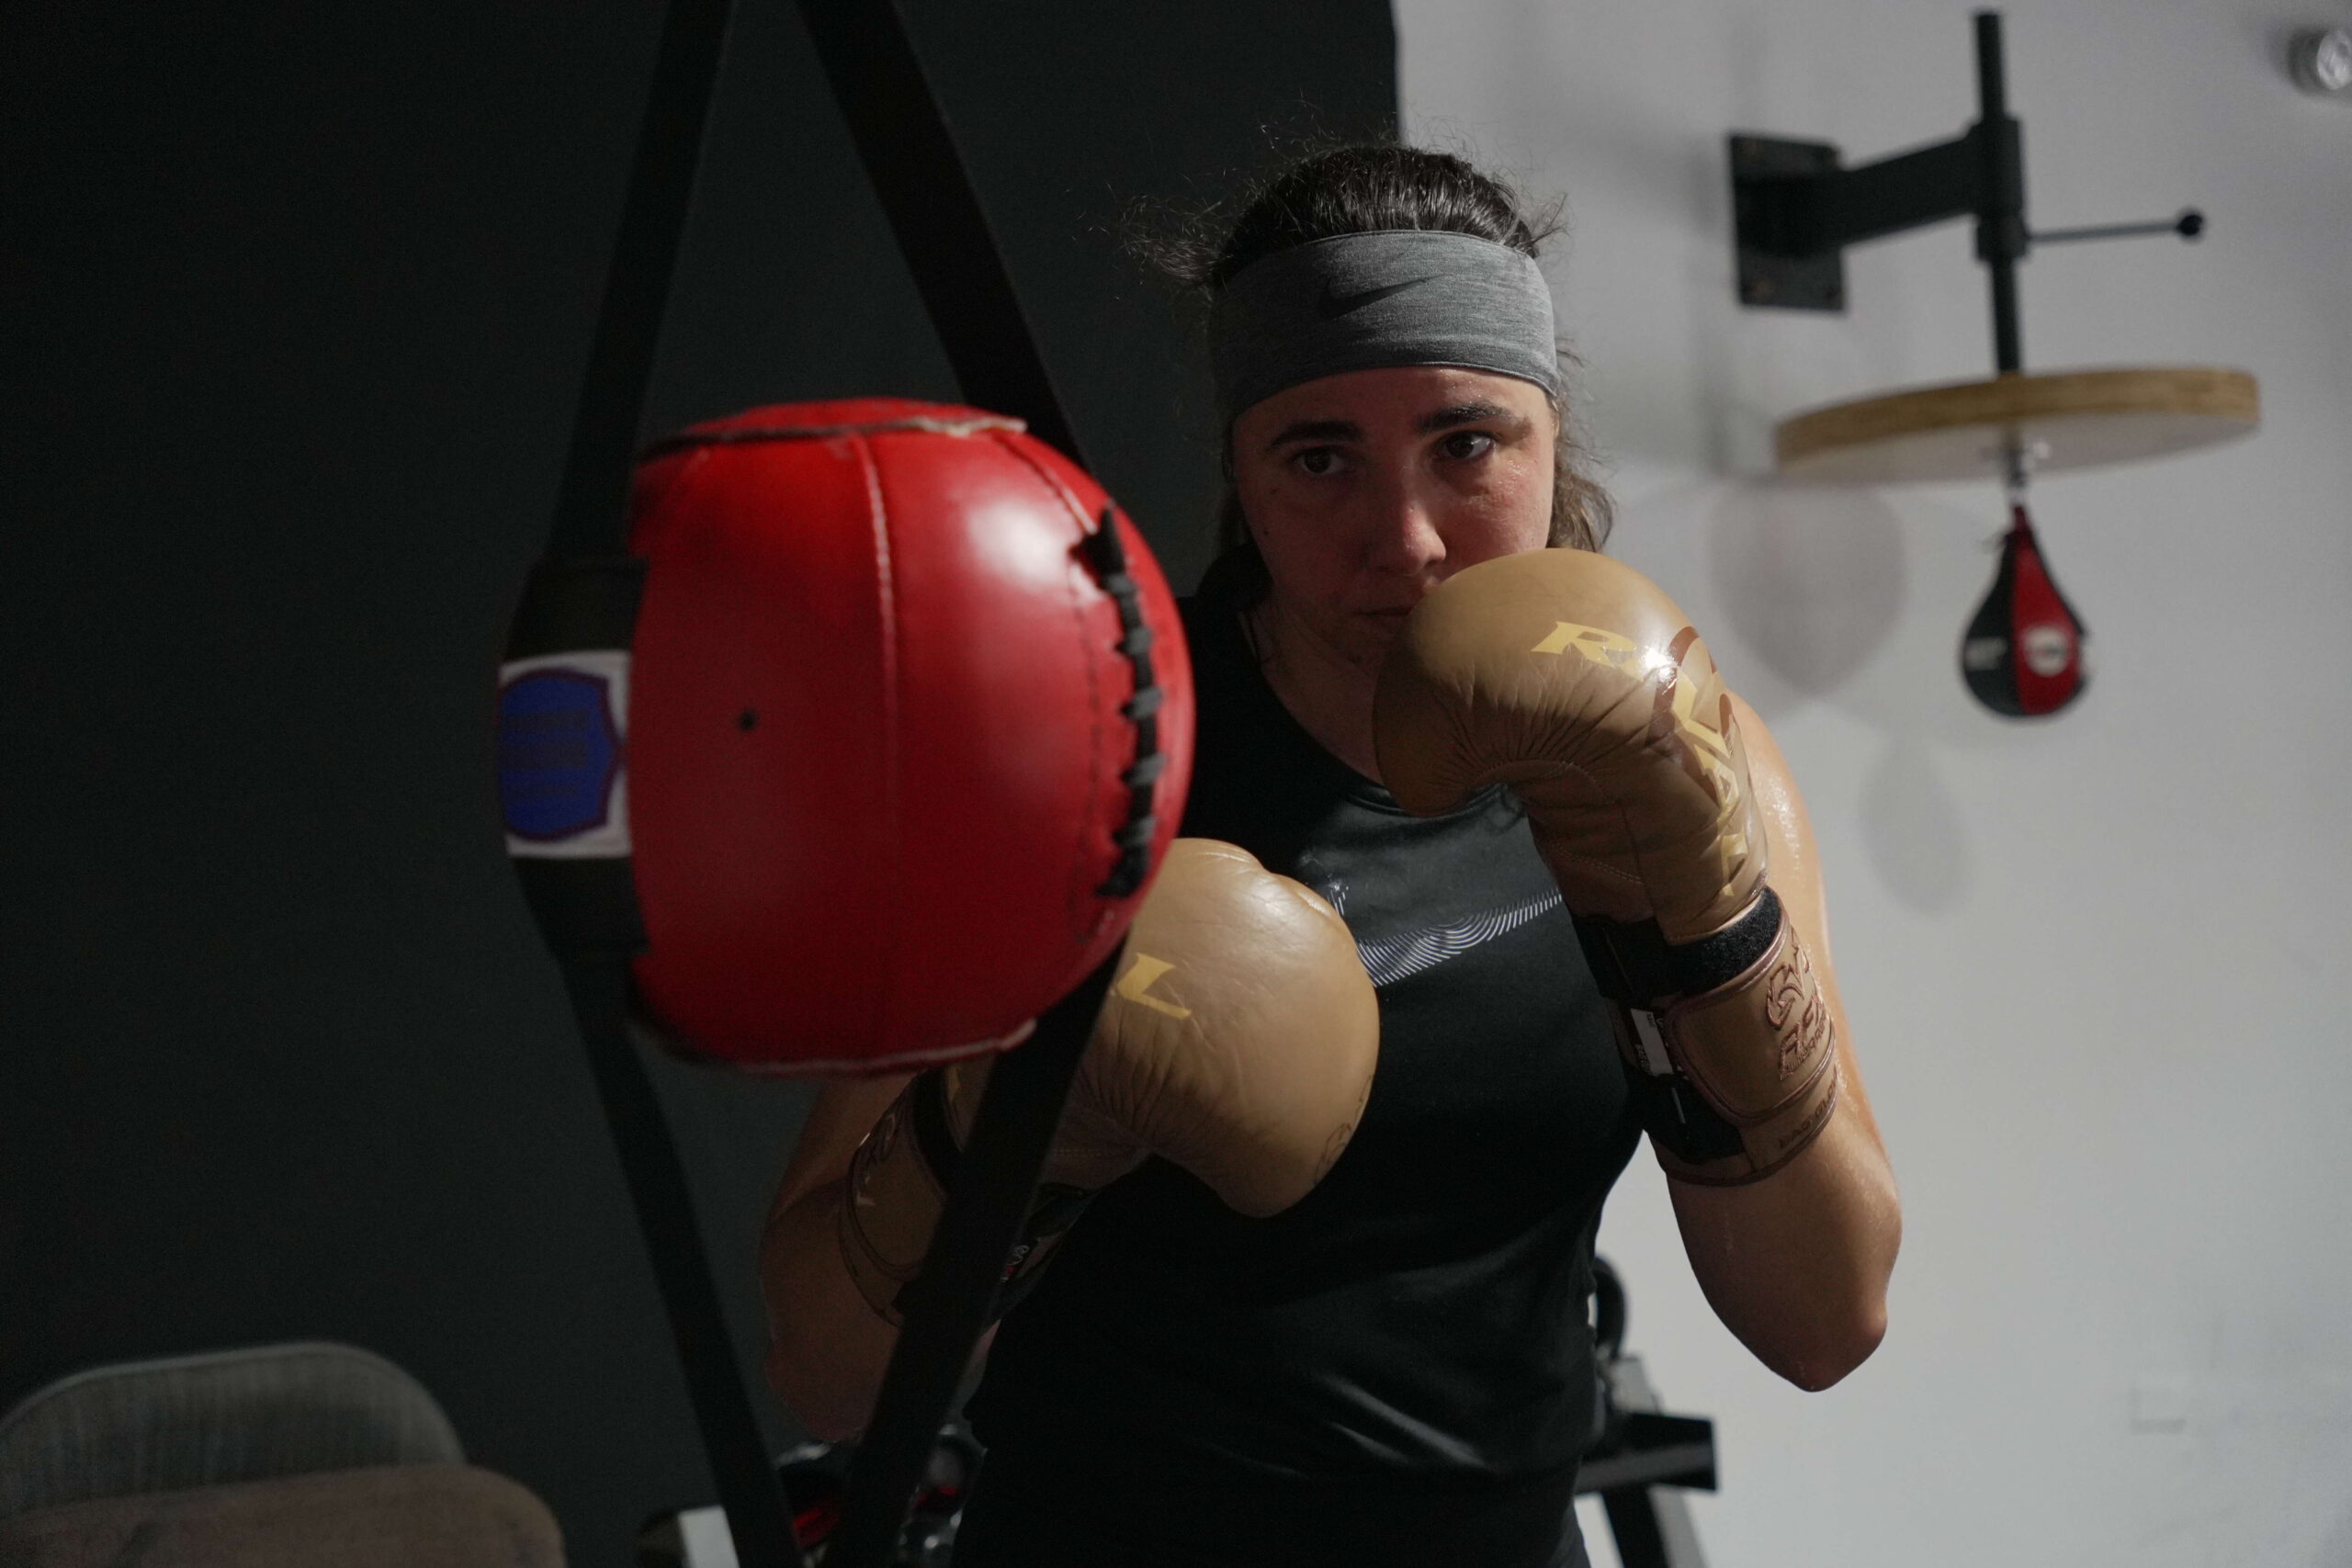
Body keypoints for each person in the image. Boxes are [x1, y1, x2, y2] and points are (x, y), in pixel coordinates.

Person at [759, 142, 1901, 1568]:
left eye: (1467, 446)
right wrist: (1029, 1117)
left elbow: (1825, 1322)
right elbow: (827, 1375)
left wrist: (1696, 931)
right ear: (1242, 476)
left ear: (1552, 440)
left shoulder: (1686, 751)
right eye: (1320, 459)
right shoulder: (1078, 776)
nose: (1403, 539)